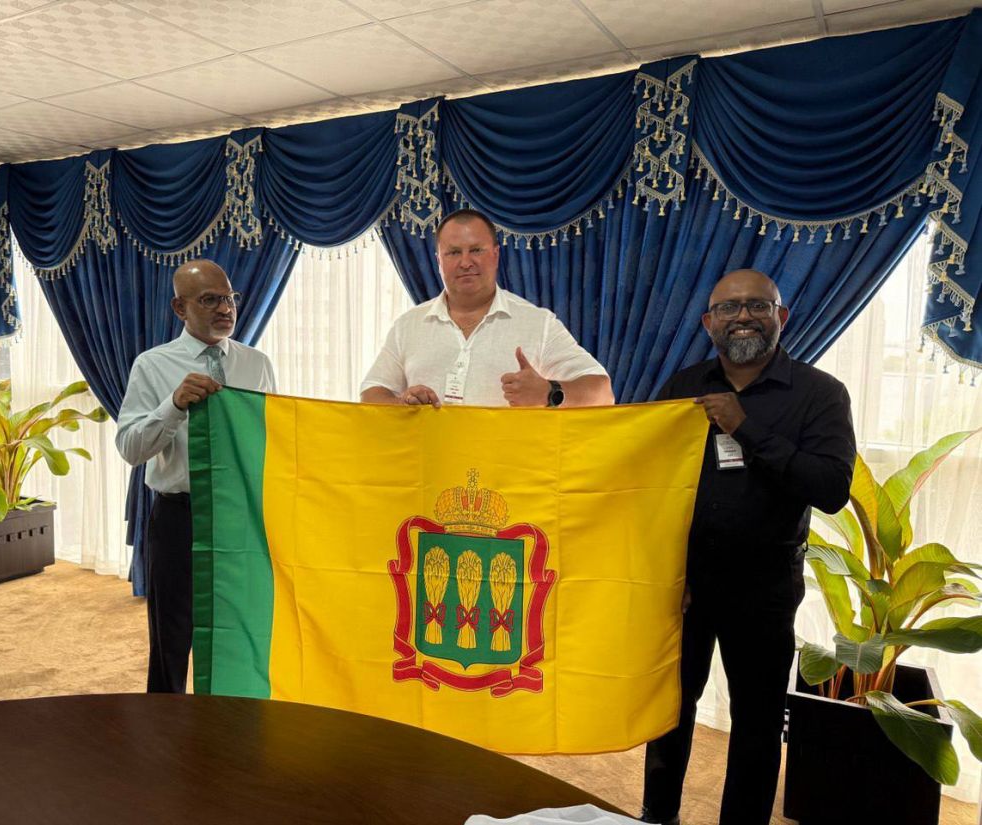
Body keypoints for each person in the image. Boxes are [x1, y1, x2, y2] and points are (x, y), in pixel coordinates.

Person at [641, 269, 856, 825]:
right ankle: (657, 815)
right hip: (684, 585)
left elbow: (831, 489)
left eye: (758, 306)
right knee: (668, 712)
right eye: (729, 308)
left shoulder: (820, 394)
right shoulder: (683, 386)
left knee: (757, 723)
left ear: (781, 317)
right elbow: (650, 484)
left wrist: (747, 429)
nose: (743, 316)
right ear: (707, 322)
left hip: (764, 587)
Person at [116, 259, 276, 694]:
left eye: (230, 298)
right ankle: (164, 722)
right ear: (179, 308)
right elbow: (130, 448)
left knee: (242, 628)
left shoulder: (256, 363)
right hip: (180, 517)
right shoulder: (152, 365)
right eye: (209, 300)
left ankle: (232, 718)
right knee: (172, 636)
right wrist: (173, 405)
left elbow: (269, 439)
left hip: (242, 517)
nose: (225, 309)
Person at [360, 209, 613, 408]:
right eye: (453, 252)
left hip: (508, 460)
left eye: (476, 250)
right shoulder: (408, 325)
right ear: (439, 260)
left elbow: (603, 393)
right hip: (428, 460)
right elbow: (371, 394)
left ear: (495, 254)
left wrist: (550, 392)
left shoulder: (537, 323)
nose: (466, 262)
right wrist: (401, 403)